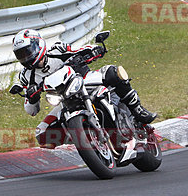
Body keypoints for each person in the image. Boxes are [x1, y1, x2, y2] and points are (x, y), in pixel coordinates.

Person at [11, 28, 156, 148]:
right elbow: (31, 110)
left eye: (28, 51)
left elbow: (78, 50)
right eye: (21, 55)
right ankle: (85, 141)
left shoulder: (56, 50)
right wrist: (32, 96)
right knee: (42, 134)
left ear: (39, 44)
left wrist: (93, 51)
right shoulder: (26, 76)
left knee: (113, 72)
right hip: (63, 100)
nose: (26, 57)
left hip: (86, 81)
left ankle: (138, 110)